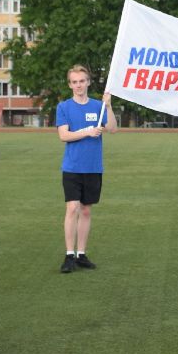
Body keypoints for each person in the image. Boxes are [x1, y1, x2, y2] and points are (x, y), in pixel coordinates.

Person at [56, 65, 117, 274]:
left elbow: (113, 129)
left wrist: (108, 106)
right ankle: (69, 254)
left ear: (88, 82)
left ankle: (81, 254)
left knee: (86, 210)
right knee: (72, 208)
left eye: (82, 81)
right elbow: (64, 135)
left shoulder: (98, 106)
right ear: (70, 84)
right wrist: (87, 132)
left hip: (93, 167)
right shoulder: (64, 107)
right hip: (72, 166)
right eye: (74, 82)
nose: (78, 85)